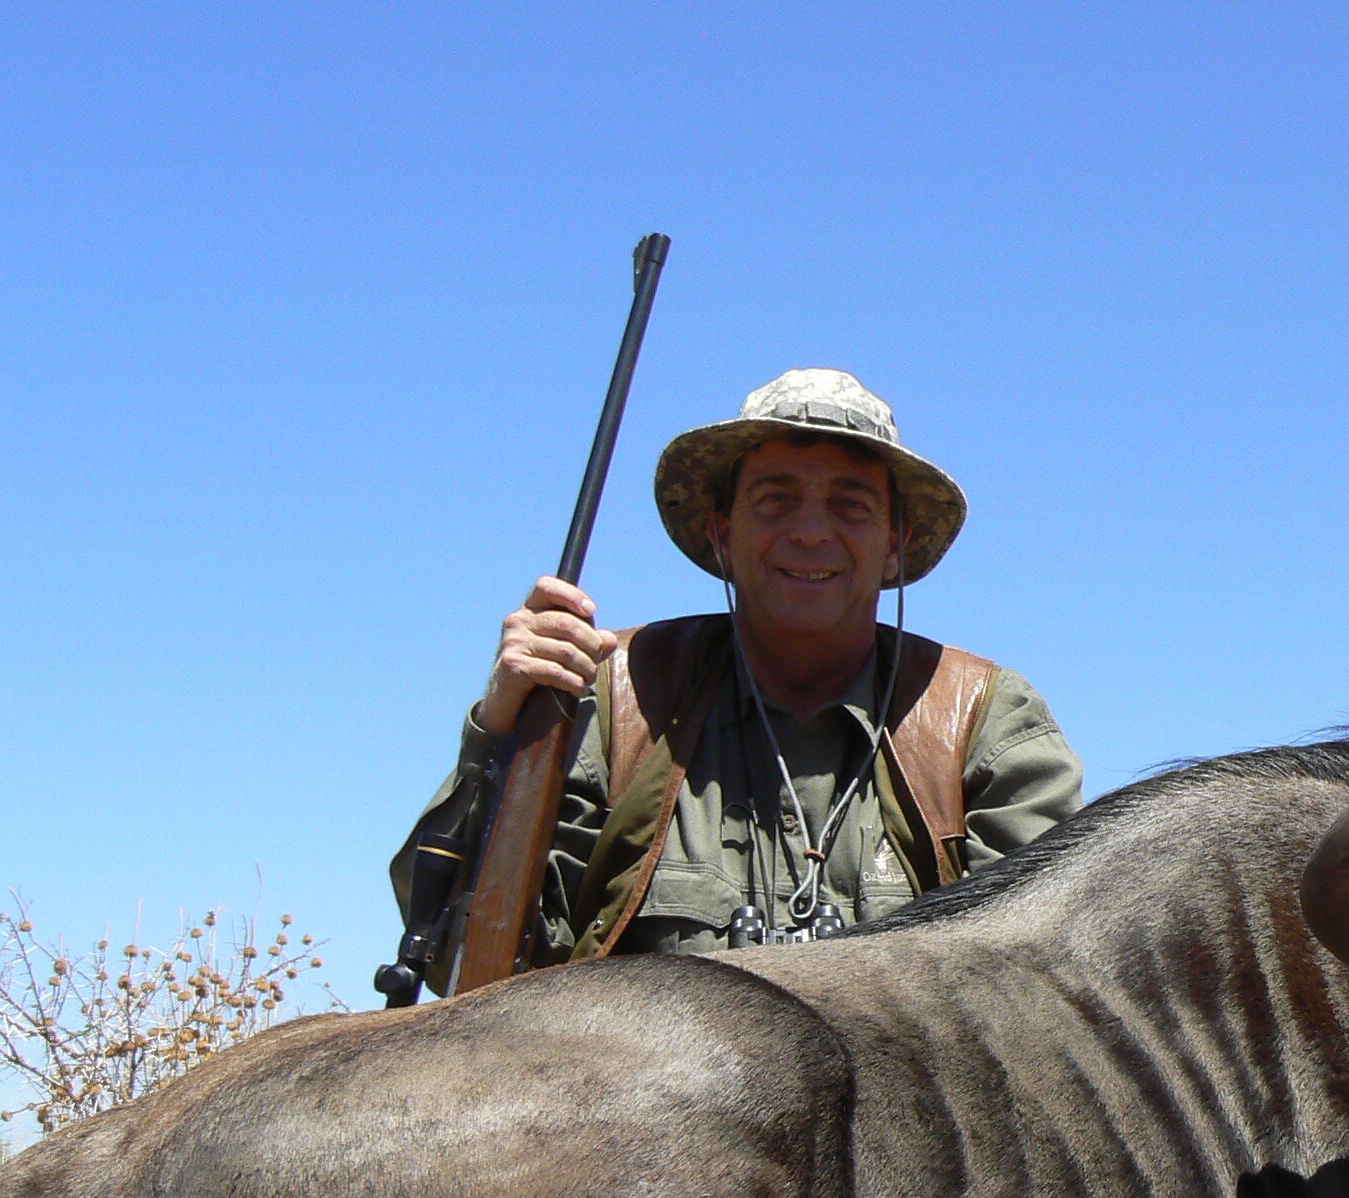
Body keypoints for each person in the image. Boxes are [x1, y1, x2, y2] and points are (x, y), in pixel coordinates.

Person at [393, 369, 1082, 985]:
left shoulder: (986, 719)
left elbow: (1039, 998)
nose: (810, 531)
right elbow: (466, 968)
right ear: (723, 532)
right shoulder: (613, 697)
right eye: (775, 499)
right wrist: (501, 729)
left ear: (895, 546)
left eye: (850, 505)